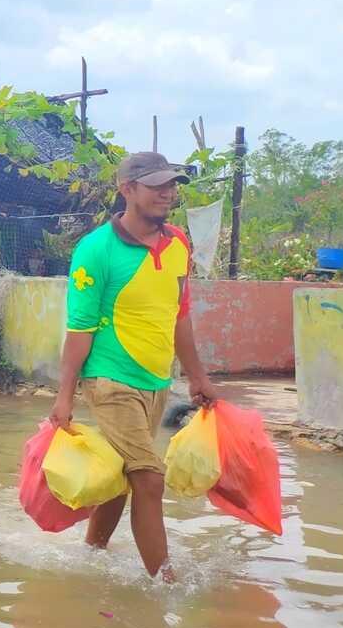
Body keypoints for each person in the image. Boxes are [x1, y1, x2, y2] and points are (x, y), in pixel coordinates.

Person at [50, 152, 219, 579]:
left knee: (124, 473)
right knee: (149, 478)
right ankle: (165, 586)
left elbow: (179, 315)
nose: (169, 192)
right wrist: (64, 396)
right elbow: (80, 330)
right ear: (128, 190)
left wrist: (197, 377)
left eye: (173, 185)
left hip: (157, 381)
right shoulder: (96, 250)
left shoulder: (178, 243)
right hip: (109, 381)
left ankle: (91, 554)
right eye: (158, 185)